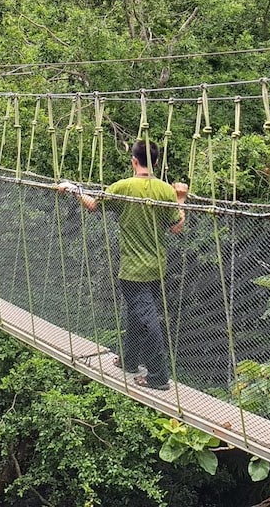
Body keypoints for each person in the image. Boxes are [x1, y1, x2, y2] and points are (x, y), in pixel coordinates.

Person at [58, 140, 188, 390]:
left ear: (134, 161)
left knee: (146, 319)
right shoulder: (165, 191)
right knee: (136, 314)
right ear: (157, 163)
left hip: (132, 271)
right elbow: (176, 227)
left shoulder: (122, 187)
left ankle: (159, 377)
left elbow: (93, 206)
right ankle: (129, 361)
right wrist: (181, 199)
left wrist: (74, 190)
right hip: (156, 268)